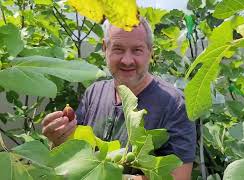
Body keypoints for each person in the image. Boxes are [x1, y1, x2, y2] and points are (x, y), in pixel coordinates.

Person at [42, 16, 196, 180]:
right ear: (105, 48)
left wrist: (108, 175)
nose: (127, 60)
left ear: (150, 52)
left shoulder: (175, 104)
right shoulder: (94, 92)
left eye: (137, 50)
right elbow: (74, 157)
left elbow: (178, 177)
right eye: (118, 49)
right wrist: (59, 140)